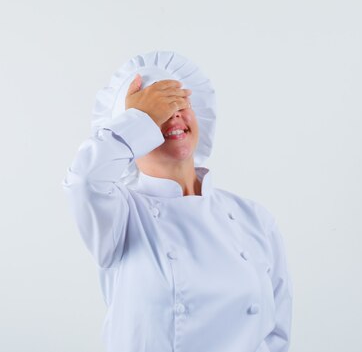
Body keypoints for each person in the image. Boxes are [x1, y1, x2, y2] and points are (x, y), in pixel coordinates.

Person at [61, 50, 293, 352]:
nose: (173, 114)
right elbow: (84, 180)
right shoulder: (120, 215)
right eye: (154, 110)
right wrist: (140, 119)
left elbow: (276, 335)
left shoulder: (253, 218)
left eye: (179, 102)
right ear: (132, 128)